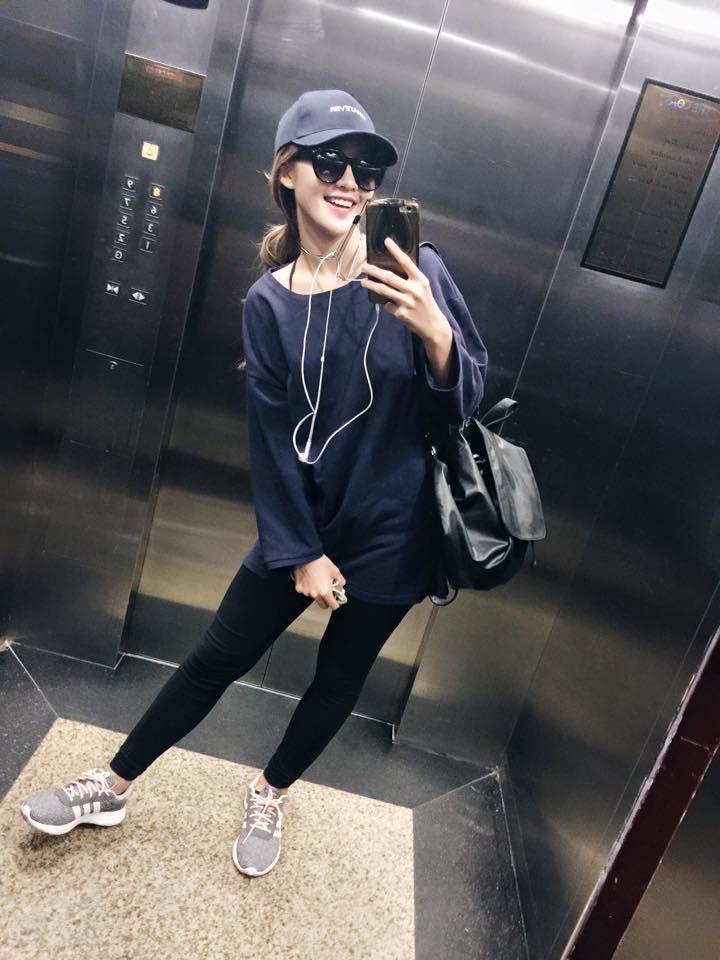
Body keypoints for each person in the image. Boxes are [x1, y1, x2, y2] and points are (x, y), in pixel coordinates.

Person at [19, 89, 489, 878]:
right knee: (216, 656)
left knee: (340, 676)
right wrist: (299, 550)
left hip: (397, 531)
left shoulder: (418, 267)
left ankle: (270, 791)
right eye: (331, 162)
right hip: (303, 521)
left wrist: (437, 333)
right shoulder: (269, 302)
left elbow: (465, 400)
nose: (352, 182)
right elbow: (271, 439)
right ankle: (114, 783)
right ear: (287, 172)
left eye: (367, 169)